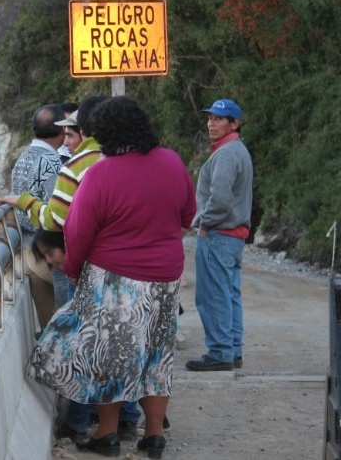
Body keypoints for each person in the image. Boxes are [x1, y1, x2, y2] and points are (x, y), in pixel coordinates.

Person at [26, 97, 196, 458]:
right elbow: (187, 215)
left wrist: (74, 272)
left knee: (110, 357)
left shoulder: (102, 172)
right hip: (165, 278)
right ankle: (153, 435)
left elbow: (78, 232)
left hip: (116, 279)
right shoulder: (172, 161)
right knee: (156, 353)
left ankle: (107, 434)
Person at [186, 98, 253, 372]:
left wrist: (202, 222)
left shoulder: (226, 154)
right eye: (210, 118)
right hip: (232, 235)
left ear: (234, 123)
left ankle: (221, 351)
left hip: (219, 233)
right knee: (229, 294)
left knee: (213, 295)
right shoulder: (237, 150)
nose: (212, 123)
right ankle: (231, 349)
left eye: (219, 119)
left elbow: (221, 199)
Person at [4, 104, 66, 327]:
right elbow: (56, 215)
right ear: (61, 131)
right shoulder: (51, 161)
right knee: (64, 321)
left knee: (47, 322)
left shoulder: (24, 157)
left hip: (28, 250)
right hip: (50, 255)